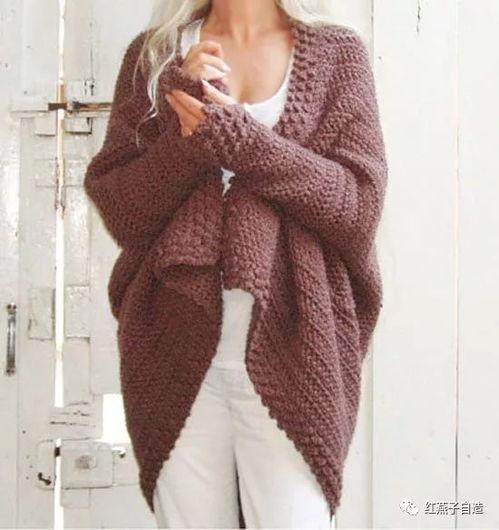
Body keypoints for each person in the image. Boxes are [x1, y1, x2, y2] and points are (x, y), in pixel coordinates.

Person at [83, 0, 388, 528]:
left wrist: (242, 140)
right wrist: (184, 140)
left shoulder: (337, 53)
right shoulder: (155, 56)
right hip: (173, 348)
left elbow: (357, 206)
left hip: (297, 346)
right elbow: (123, 210)